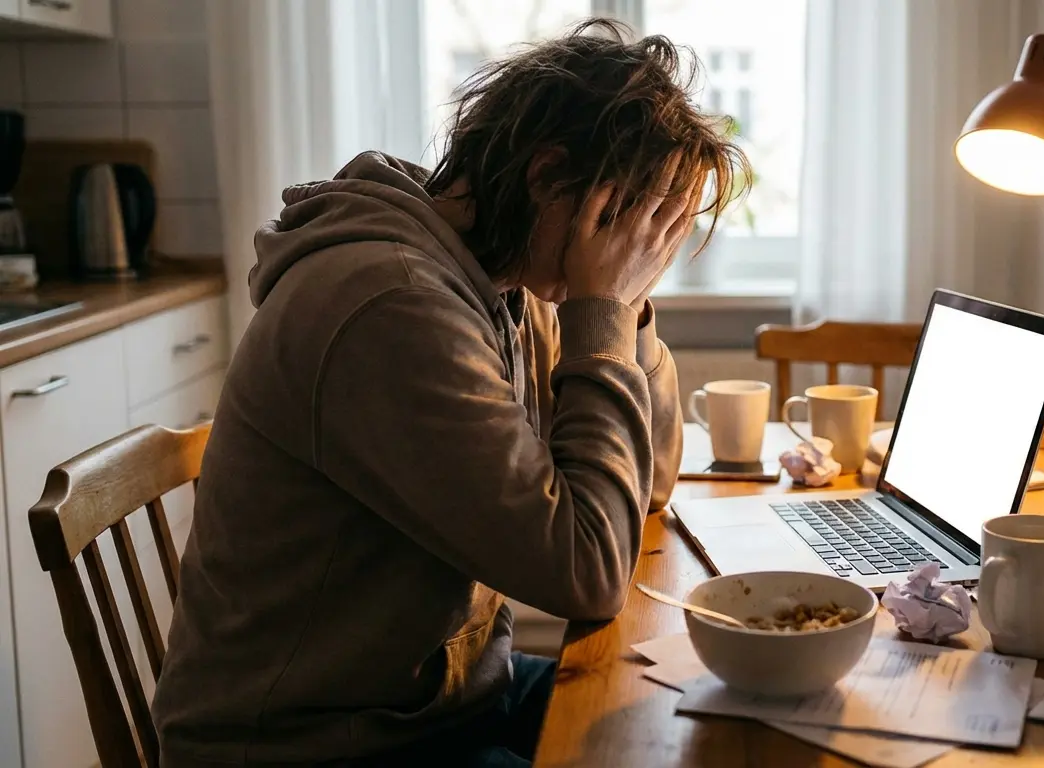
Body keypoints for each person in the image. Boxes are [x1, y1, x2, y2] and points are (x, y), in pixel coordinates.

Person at [151, 19, 746, 767]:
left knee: (690, 720)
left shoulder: (507, 283)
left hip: (443, 704)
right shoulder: (389, 307)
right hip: (313, 744)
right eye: (632, 219)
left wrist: (626, 309)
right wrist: (604, 312)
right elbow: (588, 572)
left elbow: (647, 485)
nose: (641, 247)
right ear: (549, 178)